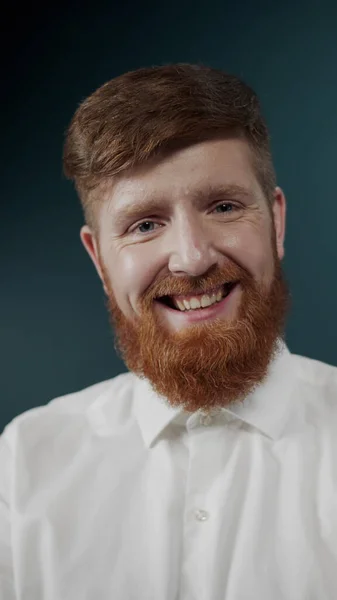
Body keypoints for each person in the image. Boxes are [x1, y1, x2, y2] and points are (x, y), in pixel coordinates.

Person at [1, 63, 336, 600]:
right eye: (145, 225)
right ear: (100, 260)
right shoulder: (24, 464)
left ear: (276, 222)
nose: (192, 258)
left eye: (224, 207)